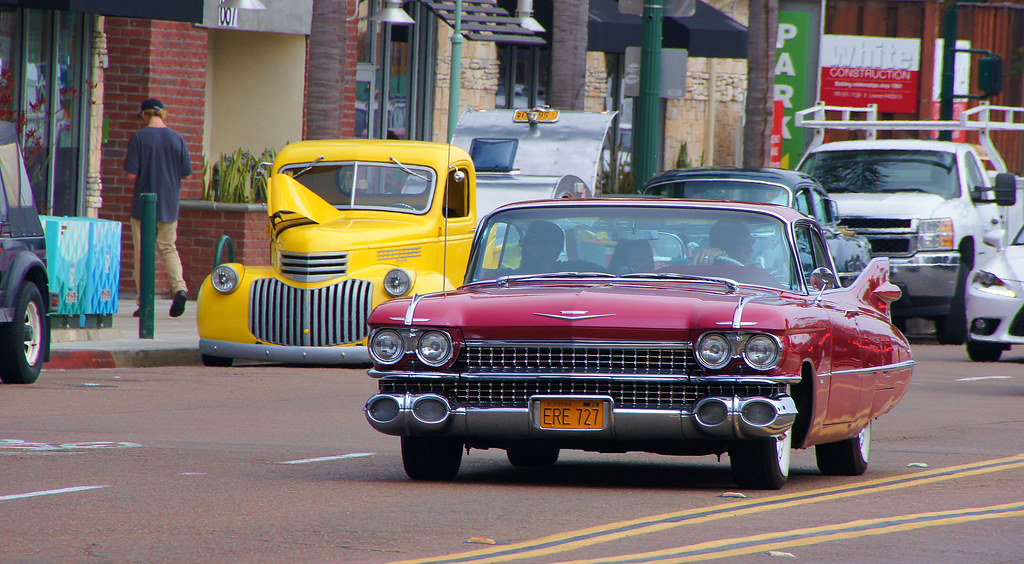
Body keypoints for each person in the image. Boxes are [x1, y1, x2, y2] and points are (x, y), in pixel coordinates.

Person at [124, 98, 194, 317]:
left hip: (143, 206)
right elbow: (187, 174)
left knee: (143, 252)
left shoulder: (139, 137)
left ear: (145, 115)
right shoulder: (177, 138)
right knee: (168, 247)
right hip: (169, 205)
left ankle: (145, 301)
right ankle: (179, 288)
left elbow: (131, 174)